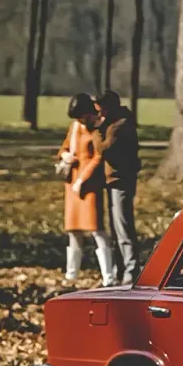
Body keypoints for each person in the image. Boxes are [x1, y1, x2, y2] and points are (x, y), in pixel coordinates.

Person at [56, 93, 115, 286]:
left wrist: (82, 179)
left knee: (96, 229)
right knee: (73, 230)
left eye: (81, 117)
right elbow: (64, 148)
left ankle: (108, 276)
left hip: (89, 184)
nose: (80, 121)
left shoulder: (97, 129)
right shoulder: (75, 127)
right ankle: (71, 274)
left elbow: (98, 157)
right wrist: (65, 156)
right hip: (72, 183)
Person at [94, 89, 142, 285]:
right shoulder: (114, 123)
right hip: (113, 180)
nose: (99, 114)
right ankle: (120, 268)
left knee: (123, 227)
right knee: (115, 227)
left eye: (101, 110)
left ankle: (131, 270)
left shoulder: (121, 126)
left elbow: (104, 148)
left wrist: (96, 130)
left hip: (121, 180)